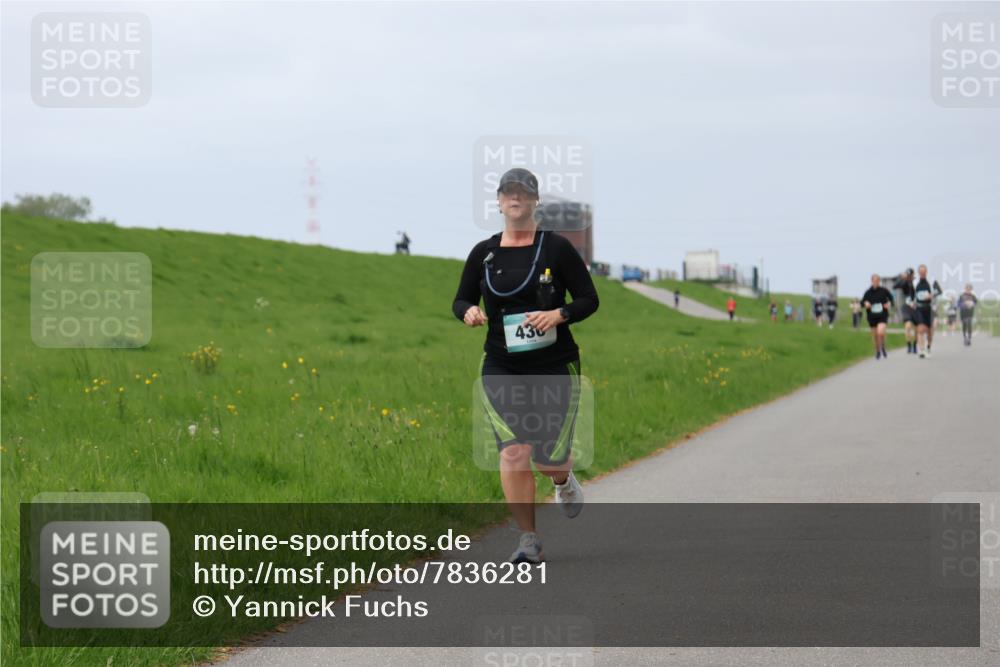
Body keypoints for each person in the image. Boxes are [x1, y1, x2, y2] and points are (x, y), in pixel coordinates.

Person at [452, 167, 599, 564]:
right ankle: (528, 539)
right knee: (515, 451)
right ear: (499, 202)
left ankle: (563, 481)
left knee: (549, 460)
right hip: (501, 364)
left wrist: (559, 315)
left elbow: (589, 298)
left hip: (554, 364)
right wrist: (468, 313)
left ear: (535, 201)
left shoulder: (556, 248)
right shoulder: (484, 252)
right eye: (508, 192)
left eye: (523, 192)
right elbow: (461, 299)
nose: (515, 198)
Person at [862, 274, 894, 360]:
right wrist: (866, 304)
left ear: (879, 281)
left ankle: (883, 346)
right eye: (874, 280)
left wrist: (889, 304)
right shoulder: (868, 292)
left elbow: (891, 299)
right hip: (872, 316)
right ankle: (878, 350)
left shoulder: (884, 291)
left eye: (877, 280)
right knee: (875, 335)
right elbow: (863, 302)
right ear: (871, 281)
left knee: (880, 332)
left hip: (882, 315)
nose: (876, 282)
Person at [913, 264, 942, 358]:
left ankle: (928, 347)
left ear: (926, 272)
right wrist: (912, 302)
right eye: (920, 272)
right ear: (918, 272)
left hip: (930, 308)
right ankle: (921, 350)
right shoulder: (915, 282)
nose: (922, 273)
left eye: (924, 272)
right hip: (919, 308)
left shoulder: (931, 281)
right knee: (920, 329)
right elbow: (911, 294)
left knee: (930, 331)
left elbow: (939, 291)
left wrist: (931, 295)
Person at [894, 269, 918, 354]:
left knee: (916, 328)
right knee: (908, 326)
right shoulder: (904, 282)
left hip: (916, 307)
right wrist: (902, 278)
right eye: (907, 275)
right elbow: (895, 286)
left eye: (910, 275)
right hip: (906, 307)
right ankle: (909, 345)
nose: (909, 277)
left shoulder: (916, 282)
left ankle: (915, 345)